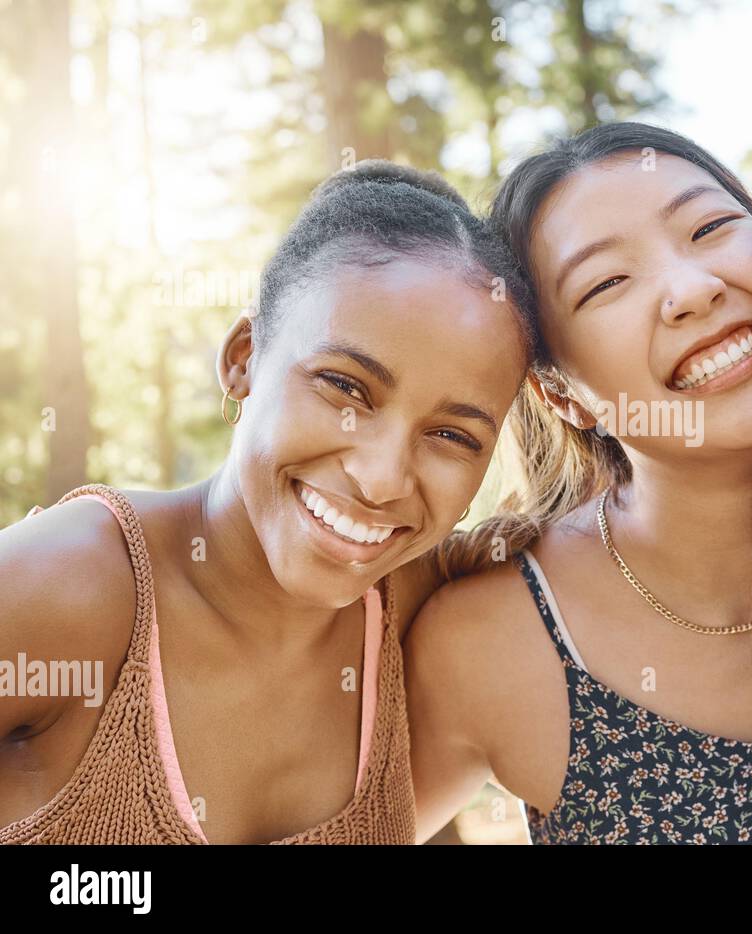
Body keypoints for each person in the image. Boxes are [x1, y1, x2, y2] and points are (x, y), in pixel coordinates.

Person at [0, 160, 532, 844]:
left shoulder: (432, 618)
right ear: (243, 358)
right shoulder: (65, 586)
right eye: (345, 387)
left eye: (452, 434)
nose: (380, 479)